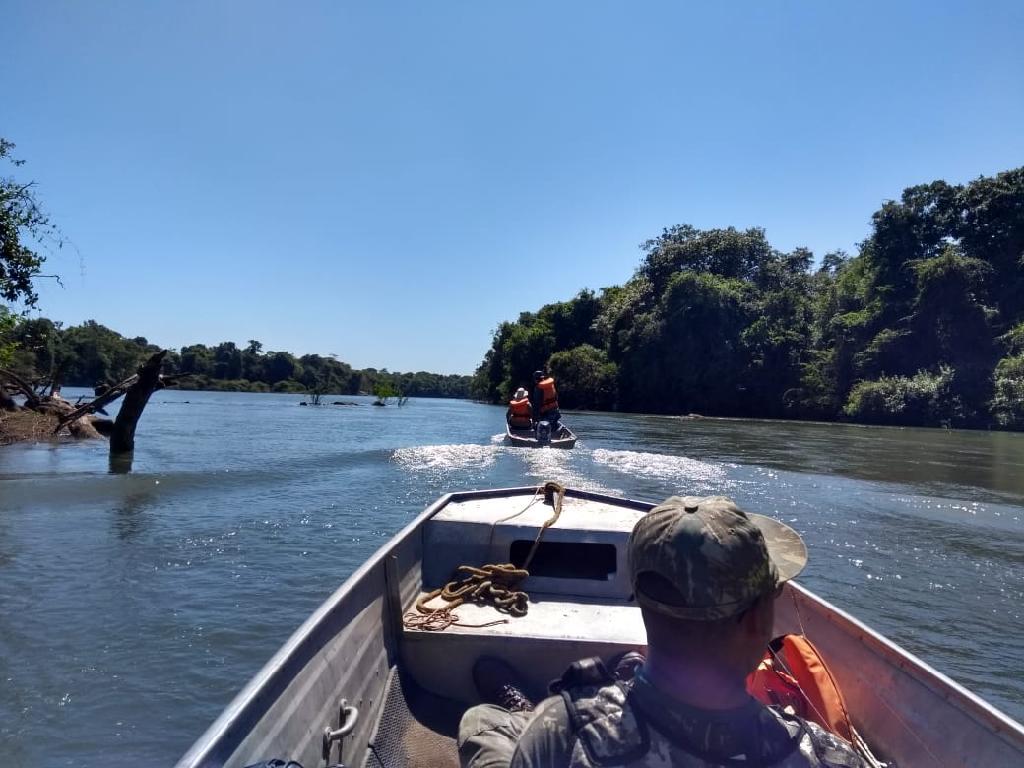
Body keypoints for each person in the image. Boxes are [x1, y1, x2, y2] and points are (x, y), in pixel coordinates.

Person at [457, 496, 869, 767]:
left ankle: (536, 708)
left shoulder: (562, 731)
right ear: (758, 618)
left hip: (551, 734)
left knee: (483, 721)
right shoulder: (824, 756)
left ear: (639, 600)